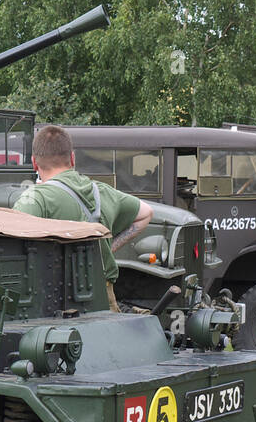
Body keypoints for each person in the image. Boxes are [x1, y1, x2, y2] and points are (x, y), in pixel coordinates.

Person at [11, 125, 153, 310]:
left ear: (34, 163)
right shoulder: (101, 191)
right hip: (104, 298)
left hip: (54, 301)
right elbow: (146, 213)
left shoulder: (35, 199)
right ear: (72, 158)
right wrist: (109, 246)